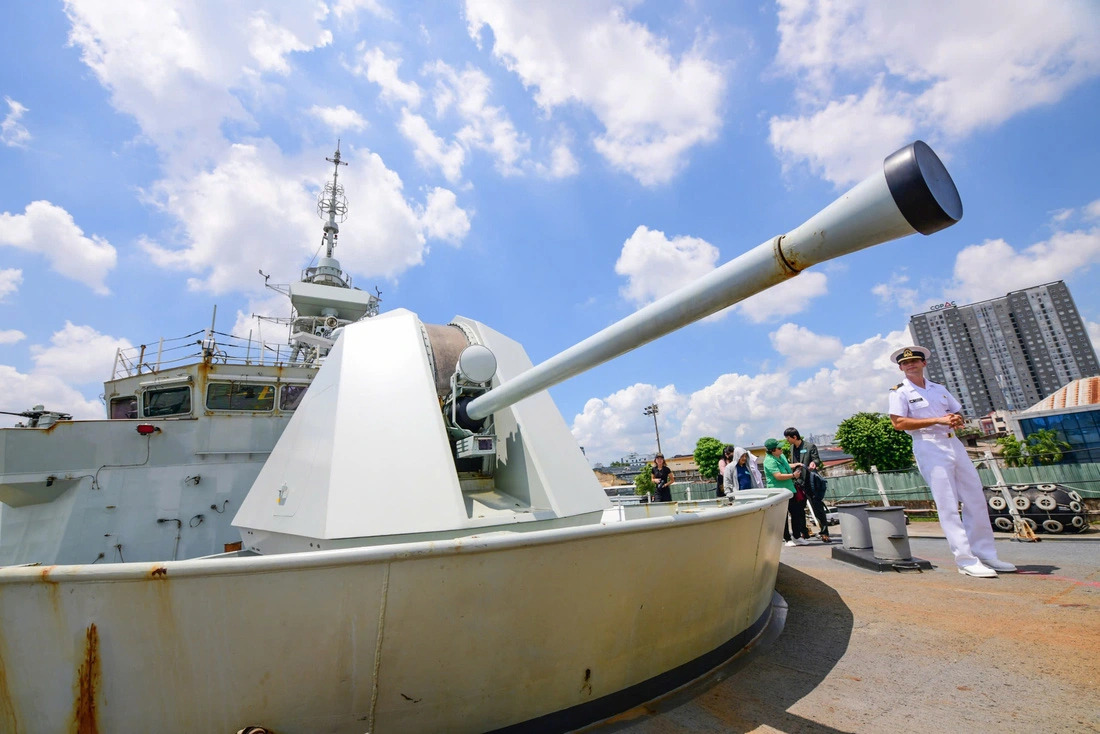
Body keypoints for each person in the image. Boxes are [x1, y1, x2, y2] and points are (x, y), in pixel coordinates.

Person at [887, 345, 1017, 578]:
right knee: (947, 503)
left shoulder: (939, 389)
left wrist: (956, 419)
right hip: (928, 444)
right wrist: (937, 419)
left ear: (923, 363)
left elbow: (957, 412)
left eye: (914, 361)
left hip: (953, 442)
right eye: (905, 363)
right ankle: (965, 560)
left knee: (975, 497)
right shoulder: (900, 392)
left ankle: (985, 554)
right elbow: (898, 423)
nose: (910, 365)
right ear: (900, 368)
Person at [784, 427, 830, 543]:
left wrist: (814, 463)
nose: (787, 440)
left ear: (794, 437)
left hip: (810, 482)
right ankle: (804, 532)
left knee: (817, 508)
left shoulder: (810, 446)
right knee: (799, 510)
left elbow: (817, 460)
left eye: (788, 438)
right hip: (798, 483)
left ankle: (824, 532)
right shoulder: (791, 448)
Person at [762, 438, 808, 546]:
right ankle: (787, 538)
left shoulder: (781, 456)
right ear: (773, 450)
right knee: (783, 516)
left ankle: (797, 536)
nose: (781, 449)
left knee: (796, 513)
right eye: (779, 448)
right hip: (778, 492)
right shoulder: (769, 461)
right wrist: (793, 475)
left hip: (790, 489)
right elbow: (778, 476)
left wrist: (797, 464)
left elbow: (787, 466)